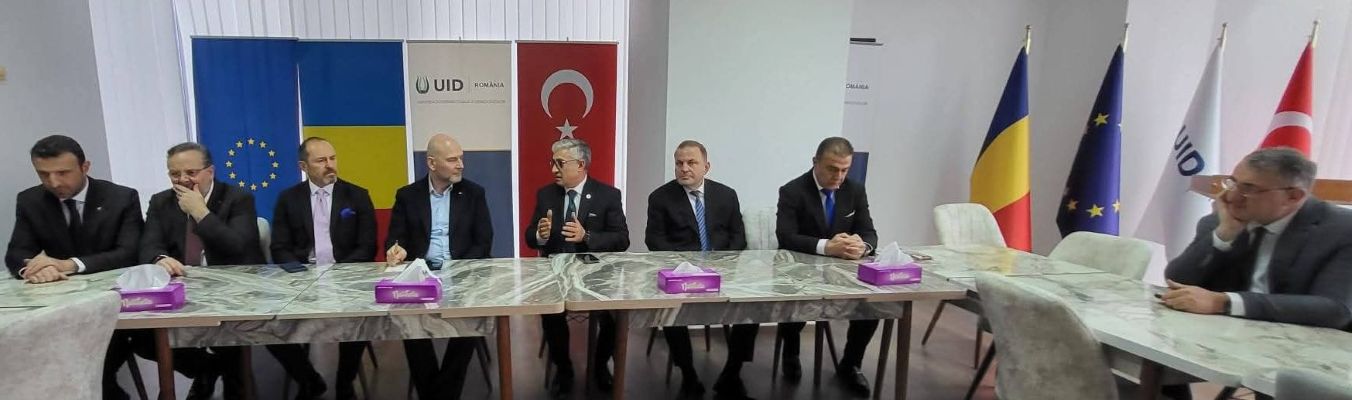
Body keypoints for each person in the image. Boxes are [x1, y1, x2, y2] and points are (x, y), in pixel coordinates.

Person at [5, 135, 145, 400]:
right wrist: (33, 269)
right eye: (44, 174)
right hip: (59, 310)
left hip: (113, 307)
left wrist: (70, 265)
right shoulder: (30, 200)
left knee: (90, 370)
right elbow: (16, 253)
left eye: (62, 173)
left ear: (85, 167)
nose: (54, 183)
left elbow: (129, 253)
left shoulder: (120, 197)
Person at [140, 142, 264, 399]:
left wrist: (201, 212)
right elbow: (148, 246)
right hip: (182, 290)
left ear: (210, 171)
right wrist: (159, 258)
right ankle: (205, 369)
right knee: (142, 339)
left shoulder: (238, 198)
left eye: (191, 173)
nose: (183, 180)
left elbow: (238, 247)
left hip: (231, 291)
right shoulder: (161, 202)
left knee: (230, 345)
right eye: (175, 174)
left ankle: (232, 385)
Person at [645, 140, 758, 399]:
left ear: (706, 167)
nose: (684, 168)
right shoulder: (660, 198)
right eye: (679, 163)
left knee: (753, 306)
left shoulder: (726, 195)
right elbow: (655, 241)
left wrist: (721, 262)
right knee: (670, 311)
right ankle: (688, 376)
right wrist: (687, 265)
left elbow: (738, 236)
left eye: (691, 162)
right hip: (682, 273)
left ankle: (732, 373)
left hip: (723, 271)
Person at [385, 134, 493, 400]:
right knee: (409, 322)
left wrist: (457, 269)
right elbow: (395, 238)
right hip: (421, 274)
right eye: (453, 159)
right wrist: (397, 250)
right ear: (432, 163)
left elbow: (483, 242)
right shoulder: (407, 196)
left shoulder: (474, 193)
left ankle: (441, 393)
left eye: (461, 158)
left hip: (462, 273)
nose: (461, 165)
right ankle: (436, 393)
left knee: (469, 320)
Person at [271, 137, 378, 399]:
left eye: (332, 158)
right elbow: (279, 248)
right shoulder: (288, 199)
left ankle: (345, 383)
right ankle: (309, 379)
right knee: (269, 328)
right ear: (303, 166)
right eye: (321, 160)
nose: (330, 165)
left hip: (346, 279)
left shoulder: (357, 196)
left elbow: (367, 247)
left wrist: (339, 275)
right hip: (302, 280)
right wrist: (301, 277)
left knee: (359, 319)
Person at [525, 138, 630, 399]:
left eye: (560, 163)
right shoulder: (546, 194)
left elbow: (621, 240)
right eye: (552, 163)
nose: (553, 169)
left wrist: (587, 236)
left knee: (615, 316)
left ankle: (599, 366)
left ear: (581, 164)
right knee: (551, 314)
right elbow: (530, 236)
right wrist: (539, 235)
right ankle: (564, 370)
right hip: (556, 272)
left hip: (595, 273)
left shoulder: (608, 195)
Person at [774, 137, 878, 397]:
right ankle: (791, 352)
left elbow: (869, 232)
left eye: (844, 170)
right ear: (815, 162)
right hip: (799, 269)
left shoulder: (855, 190)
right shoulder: (792, 191)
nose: (838, 176)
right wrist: (826, 246)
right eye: (832, 169)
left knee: (873, 304)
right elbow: (786, 236)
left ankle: (850, 364)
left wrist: (862, 246)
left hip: (844, 271)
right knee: (792, 299)